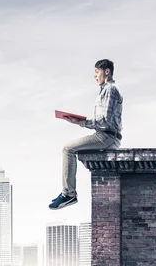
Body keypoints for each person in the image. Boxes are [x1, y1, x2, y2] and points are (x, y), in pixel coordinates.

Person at [49, 59, 123, 210]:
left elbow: (104, 121)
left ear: (106, 71)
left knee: (68, 149)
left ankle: (69, 194)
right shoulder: (104, 91)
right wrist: (79, 121)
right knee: (69, 148)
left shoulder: (110, 89)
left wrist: (81, 122)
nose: (95, 76)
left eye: (97, 72)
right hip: (107, 135)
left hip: (107, 136)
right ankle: (68, 193)